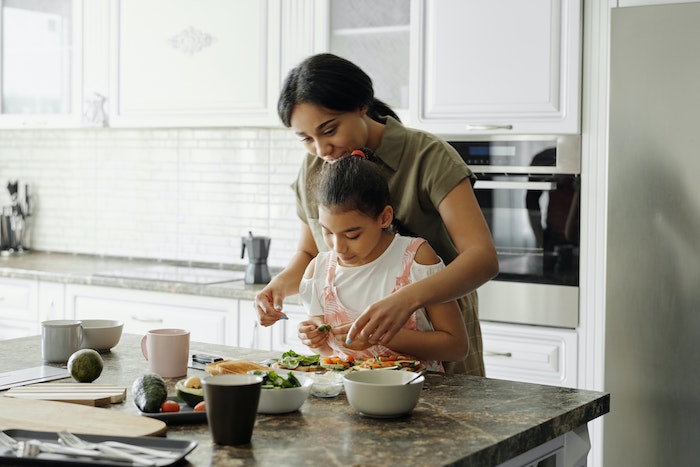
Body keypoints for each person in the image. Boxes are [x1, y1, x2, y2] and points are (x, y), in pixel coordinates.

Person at [254, 53, 498, 375]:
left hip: (437, 338)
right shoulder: (315, 166)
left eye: (329, 130)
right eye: (307, 139)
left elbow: (482, 258)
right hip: (357, 364)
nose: (321, 149)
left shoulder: (427, 156)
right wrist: (279, 286)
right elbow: (312, 252)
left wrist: (406, 300)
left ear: (361, 106)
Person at [297, 150, 469, 372]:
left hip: (417, 395)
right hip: (347, 395)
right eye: (327, 232)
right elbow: (328, 354)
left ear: (384, 217)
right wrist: (313, 339)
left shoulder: (416, 258)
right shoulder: (318, 271)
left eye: (352, 235)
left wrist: (382, 337)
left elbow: (456, 347)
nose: (338, 247)